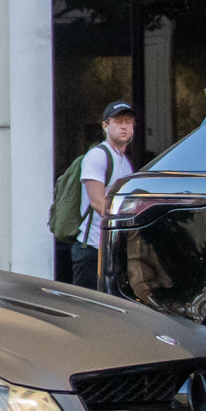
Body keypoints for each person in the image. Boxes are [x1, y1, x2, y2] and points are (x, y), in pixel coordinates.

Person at [74, 100, 137, 291]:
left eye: (128, 121)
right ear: (105, 126)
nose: (124, 126)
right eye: (118, 121)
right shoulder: (97, 156)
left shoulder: (124, 161)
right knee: (87, 311)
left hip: (111, 250)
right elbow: (97, 203)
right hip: (92, 250)